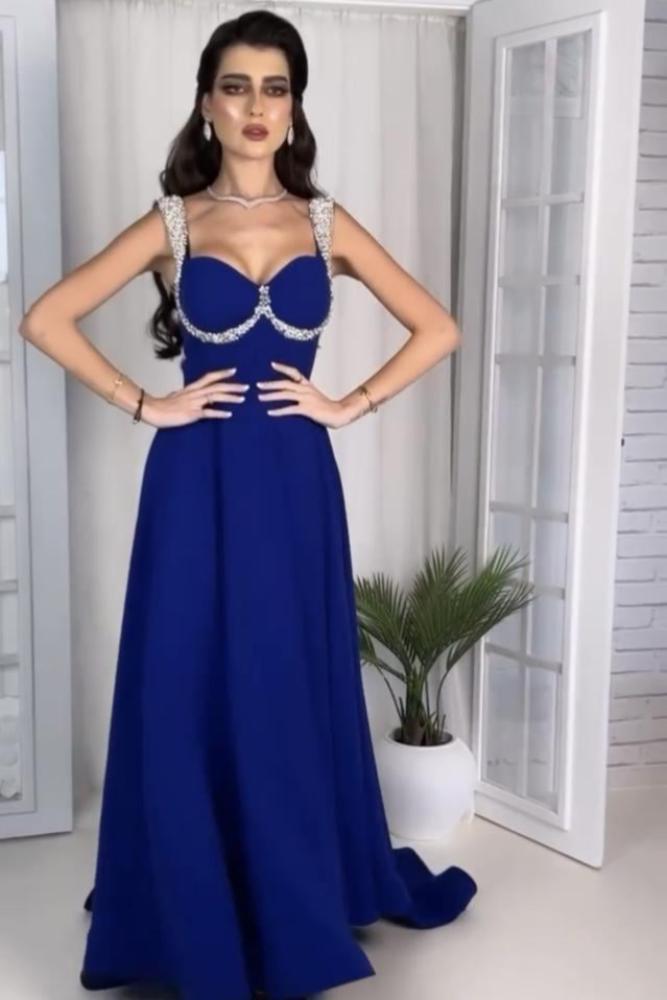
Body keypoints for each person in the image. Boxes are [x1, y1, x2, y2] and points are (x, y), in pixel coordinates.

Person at [20, 9, 476, 1000]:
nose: (255, 106)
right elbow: (44, 317)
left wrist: (348, 403)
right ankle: (191, 895)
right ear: (207, 104)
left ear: (294, 108)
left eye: (275, 88)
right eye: (236, 86)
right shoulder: (175, 222)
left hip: (296, 485)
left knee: (279, 673)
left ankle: (288, 885)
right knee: (187, 671)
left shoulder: (324, 223)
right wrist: (145, 402)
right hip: (194, 481)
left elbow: (437, 326)